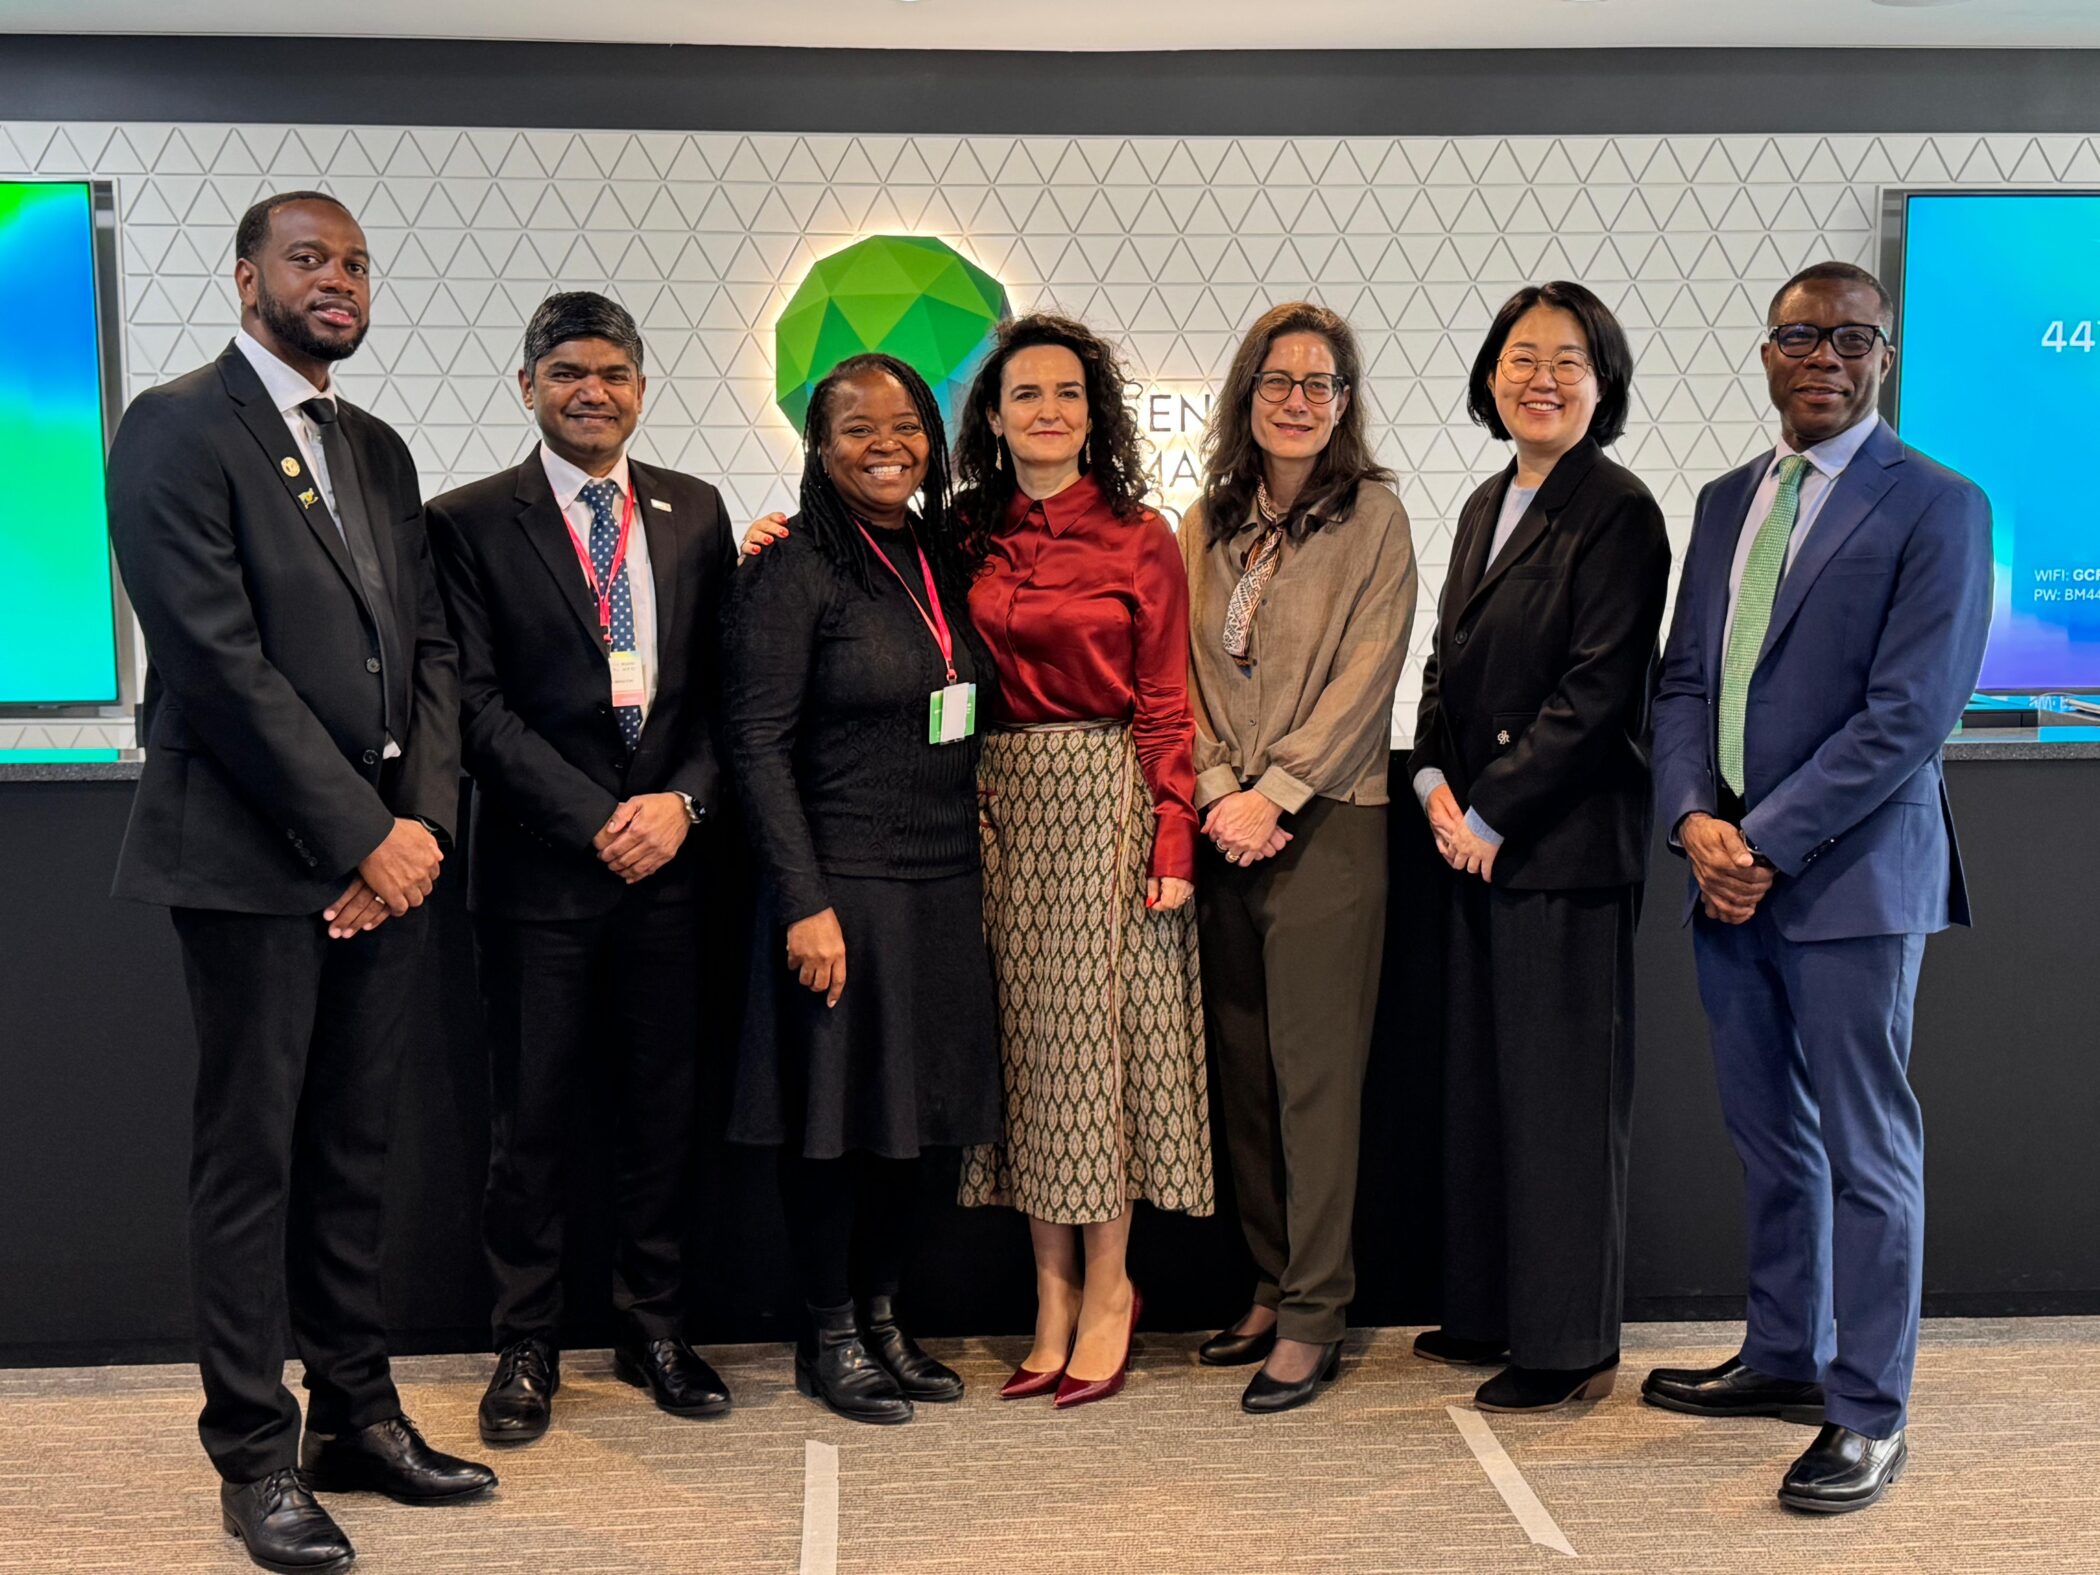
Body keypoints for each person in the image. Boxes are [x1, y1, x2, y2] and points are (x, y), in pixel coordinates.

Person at [105, 191, 492, 1575]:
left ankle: (357, 1414)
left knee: (353, 1152)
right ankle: (255, 1451)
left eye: (355, 262)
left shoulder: (376, 448)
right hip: (255, 861)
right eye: (308, 258)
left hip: (384, 865)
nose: (336, 279)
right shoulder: (175, 424)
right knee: (253, 1156)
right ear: (246, 276)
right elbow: (214, 661)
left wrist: (419, 828)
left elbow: (433, 651)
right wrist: (356, 838)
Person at [1643, 261, 1992, 1514]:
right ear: (1768, 351)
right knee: (1769, 1137)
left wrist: (1764, 841)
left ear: (1883, 355)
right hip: (1725, 871)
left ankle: (1868, 1410)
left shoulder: (1939, 504)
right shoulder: (1728, 499)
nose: (1826, 357)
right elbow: (1684, 681)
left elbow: (1911, 713)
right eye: (1802, 336)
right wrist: (1694, 819)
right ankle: (1786, 1354)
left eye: (1853, 338)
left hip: (1849, 879)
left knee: (1865, 1149)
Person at [425, 292, 738, 1446]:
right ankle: (524, 1344)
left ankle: (654, 1326)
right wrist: (597, 817)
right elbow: (472, 702)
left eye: (612, 371)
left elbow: (721, 693)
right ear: (528, 388)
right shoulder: (465, 520)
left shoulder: (693, 512)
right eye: (566, 373)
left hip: (671, 869)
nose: (591, 390)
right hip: (539, 877)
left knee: (663, 1113)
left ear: (642, 387)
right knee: (533, 1119)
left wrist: (683, 804)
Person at [722, 353, 1001, 1425]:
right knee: (834, 1126)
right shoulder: (792, 569)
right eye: (857, 428)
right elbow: (755, 746)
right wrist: (803, 902)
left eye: (908, 426)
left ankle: (885, 1315)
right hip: (843, 884)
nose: (887, 445)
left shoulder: (935, 548)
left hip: (942, 880)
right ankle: (827, 1330)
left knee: (919, 1124)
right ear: (819, 446)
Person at [1406, 282, 1671, 1413]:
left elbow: (1600, 691)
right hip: (1470, 843)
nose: (1540, 378)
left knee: (1561, 1109)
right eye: (1520, 357)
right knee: (1486, 1096)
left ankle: (1567, 1349)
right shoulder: (1483, 502)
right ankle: (1487, 1313)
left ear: (1600, 383)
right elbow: (1443, 671)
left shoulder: (1618, 510)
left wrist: (1491, 811)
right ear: (1490, 375)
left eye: (1567, 360)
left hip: (1560, 850)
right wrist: (1429, 779)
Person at [951, 314, 1213, 1409]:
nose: (1047, 410)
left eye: (1067, 393)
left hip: (1102, 804)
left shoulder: (1139, 535)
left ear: (1094, 413)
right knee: (1025, 1064)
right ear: (995, 415)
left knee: (1095, 1064)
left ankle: (1109, 1291)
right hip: (992, 807)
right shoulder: (962, 534)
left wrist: (1172, 835)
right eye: (1025, 394)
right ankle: (1047, 1297)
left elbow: (1165, 705)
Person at [1181, 302, 1415, 1414]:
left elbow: (1369, 677)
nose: (1298, 401)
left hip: (1332, 821)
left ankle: (1318, 1310)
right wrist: (1222, 791)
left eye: (1320, 385)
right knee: (1246, 1074)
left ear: (1344, 403)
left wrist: (1275, 793)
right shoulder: (1208, 521)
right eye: (1279, 381)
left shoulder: (1373, 517)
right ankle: (1271, 1282)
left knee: (1317, 1083)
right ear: (1247, 394)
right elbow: (1179, 668)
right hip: (1225, 827)